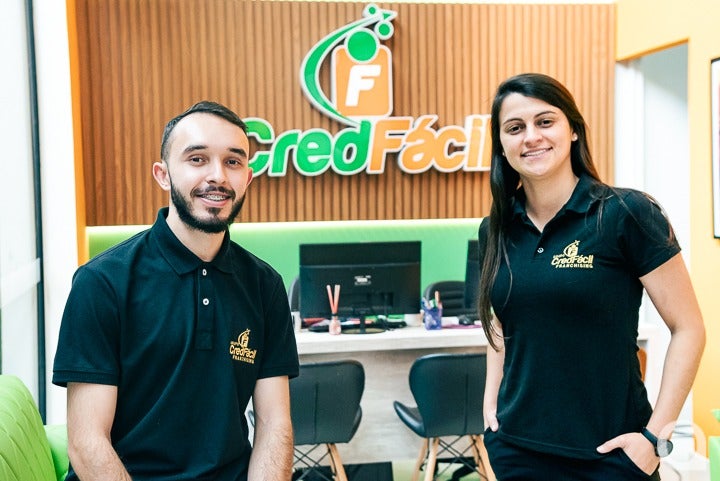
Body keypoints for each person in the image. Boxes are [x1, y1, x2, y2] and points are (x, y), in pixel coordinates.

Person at [53, 101, 299, 481]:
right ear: (163, 175)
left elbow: (274, 425)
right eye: (197, 159)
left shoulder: (264, 285)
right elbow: (87, 443)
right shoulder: (102, 283)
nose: (218, 176)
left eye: (233, 162)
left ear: (248, 177)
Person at [477, 73, 705, 480]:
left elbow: (689, 328)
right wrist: (491, 402)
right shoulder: (495, 228)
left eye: (545, 121)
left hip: (610, 455)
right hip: (518, 450)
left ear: (573, 130)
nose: (531, 137)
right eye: (515, 128)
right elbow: (501, 320)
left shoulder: (625, 213)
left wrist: (655, 439)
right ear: (501, 144)